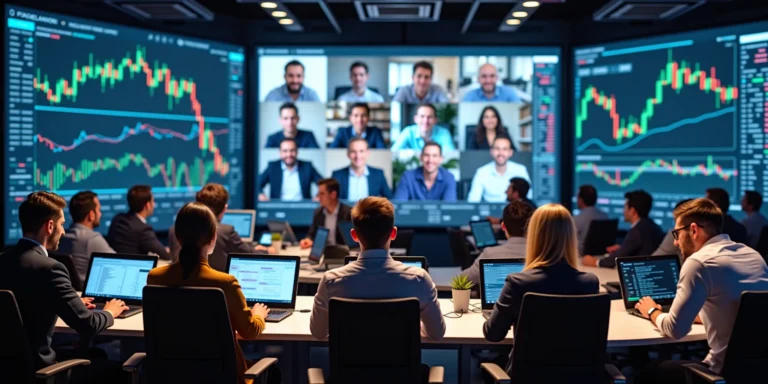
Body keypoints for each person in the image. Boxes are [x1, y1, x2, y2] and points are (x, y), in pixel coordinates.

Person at [633, 198, 768, 383]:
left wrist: (651, 310)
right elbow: (737, 310)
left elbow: (675, 329)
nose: (675, 242)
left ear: (694, 230)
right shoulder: (754, 256)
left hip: (721, 373)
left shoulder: (699, 262)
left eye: (676, 234)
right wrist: (699, 315)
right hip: (759, 371)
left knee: (650, 371)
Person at [148, 202, 277, 384]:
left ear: (177, 237)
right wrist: (258, 315)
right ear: (212, 238)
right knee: (273, 373)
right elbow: (249, 332)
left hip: (173, 376)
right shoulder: (225, 283)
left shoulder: (155, 278)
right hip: (224, 376)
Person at [0, 192, 128, 371]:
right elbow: (88, 325)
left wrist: (66, 304)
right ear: (50, 226)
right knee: (118, 370)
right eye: (61, 224)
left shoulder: (3, 260)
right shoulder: (50, 268)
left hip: (9, 369)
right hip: (41, 369)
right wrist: (109, 312)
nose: (63, 231)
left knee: (96, 355)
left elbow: (23, 307)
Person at [483, 204, 599, 376]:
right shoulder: (589, 283)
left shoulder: (518, 283)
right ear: (570, 237)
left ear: (534, 236)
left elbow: (493, 334)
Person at [310, 196, 445, 342]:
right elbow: (436, 333)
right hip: (400, 365)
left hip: (350, 365)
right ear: (393, 233)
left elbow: (318, 333)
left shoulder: (331, 281)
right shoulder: (419, 279)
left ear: (354, 235)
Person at [169, 183, 276, 271]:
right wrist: (268, 251)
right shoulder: (225, 231)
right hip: (218, 291)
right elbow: (251, 255)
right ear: (225, 208)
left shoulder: (173, 230)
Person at [582, 190, 664, 268]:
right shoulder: (654, 227)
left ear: (632, 211)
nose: (623, 211)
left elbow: (617, 259)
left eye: (625, 207)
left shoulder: (637, 231)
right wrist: (623, 248)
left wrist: (595, 262)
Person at [462, 200, 534, 285]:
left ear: (503, 226)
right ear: (532, 226)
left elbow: (461, 280)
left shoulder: (490, 254)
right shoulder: (544, 255)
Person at [57, 190, 116, 283]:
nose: (100, 214)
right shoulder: (91, 239)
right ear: (91, 215)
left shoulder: (62, 237)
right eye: (99, 210)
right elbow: (118, 264)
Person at [107, 185, 171, 260]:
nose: (154, 204)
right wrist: (166, 251)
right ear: (148, 205)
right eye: (153, 201)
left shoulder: (117, 219)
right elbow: (165, 256)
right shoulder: (143, 230)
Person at [467, 137, 530, 203]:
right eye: (497, 149)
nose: (501, 153)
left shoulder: (520, 170)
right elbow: (473, 201)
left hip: (514, 211)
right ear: (491, 151)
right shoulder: (481, 172)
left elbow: (528, 198)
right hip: (490, 213)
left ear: (510, 152)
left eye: (504, 149)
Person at [258, 138, 323, 201]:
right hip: (278, 208)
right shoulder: (272, 167)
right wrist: (260, 194)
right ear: (280, 153)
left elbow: (324, 184)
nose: (289, 154)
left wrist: (318, 196)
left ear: (297, 152)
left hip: (302, 208)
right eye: (285, 151)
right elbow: (256, 184)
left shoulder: (307, 166)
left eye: (292, 150)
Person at [300, 178, 353, 249]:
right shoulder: (318, 212)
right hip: (323, 254)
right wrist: (308, 240)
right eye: (318, 194)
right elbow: (311, 234)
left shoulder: (349, 213)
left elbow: (352, 241)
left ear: (333, 194)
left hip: (343, 255)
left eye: (322, 194)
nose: (318, 197)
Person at [390, 104, 456, 151]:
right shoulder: (408, 131)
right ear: (416, 119)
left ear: (435, 120)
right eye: (422, 116)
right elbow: (394, 150)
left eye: (429, 117)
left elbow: (449, 152)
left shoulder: (444, 133)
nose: (425, 121)